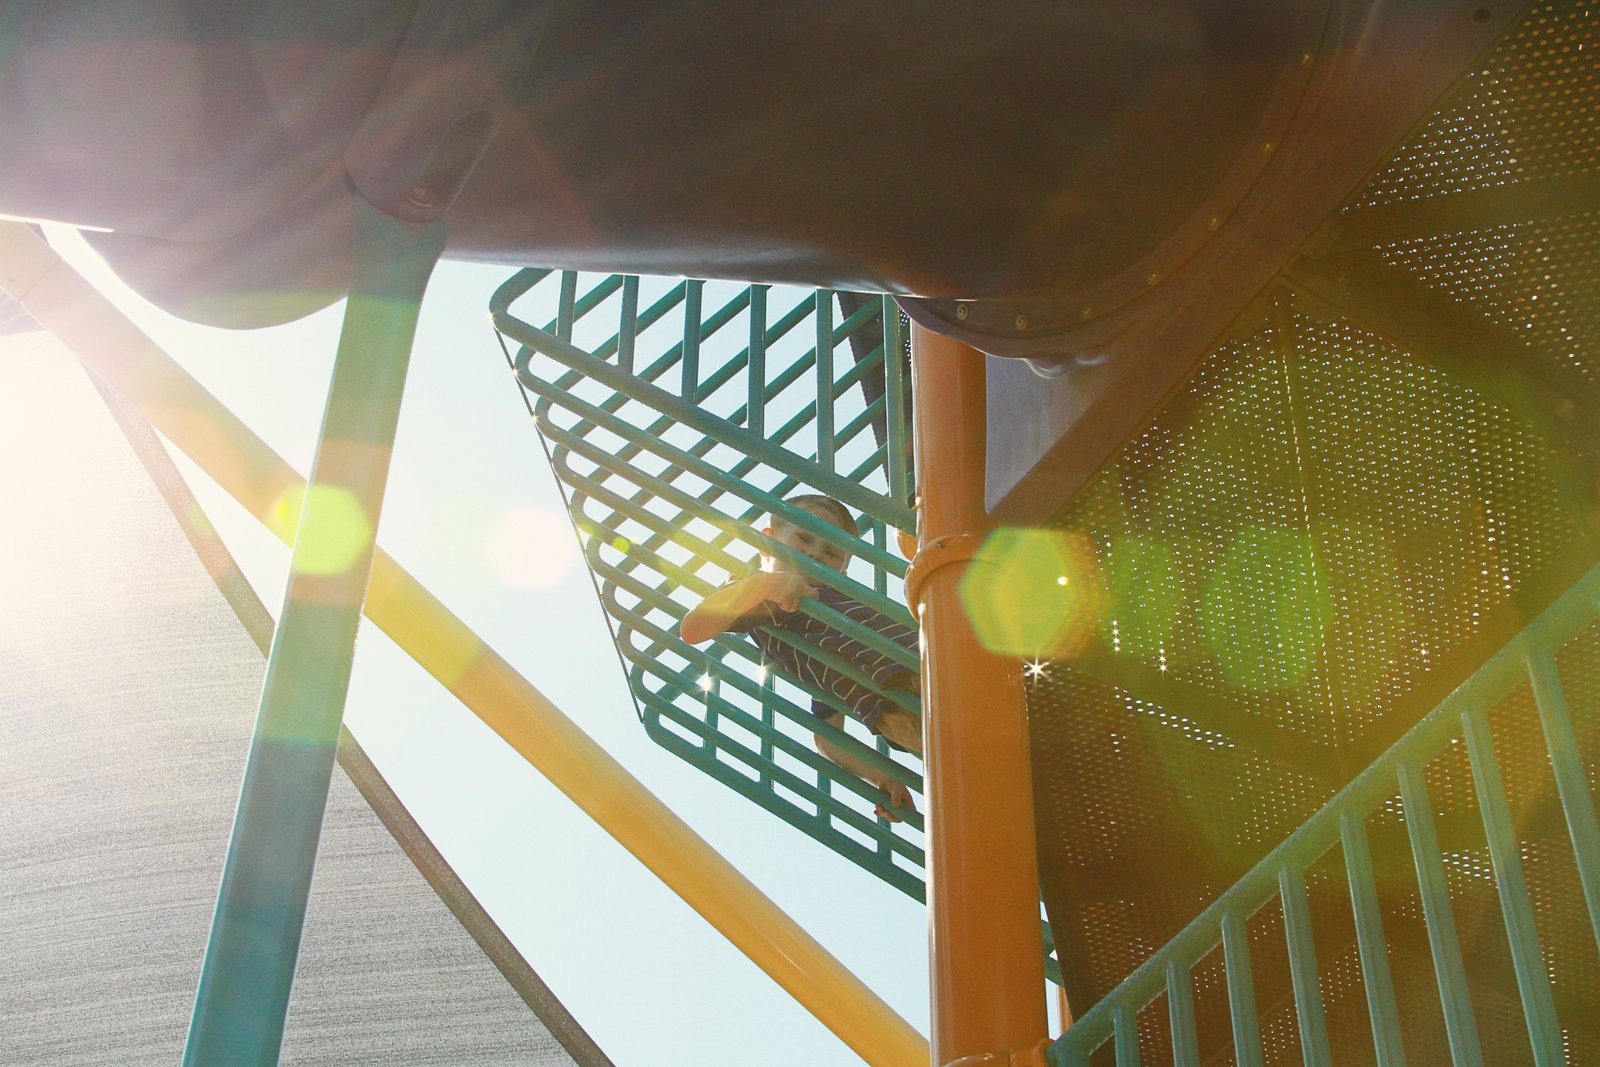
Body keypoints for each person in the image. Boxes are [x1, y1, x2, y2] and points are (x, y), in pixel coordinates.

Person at [679, 494, 923, 820]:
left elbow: (826, 735)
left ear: (843, 571)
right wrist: (883, 775)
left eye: (832, 553)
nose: (815, 554)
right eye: (804, 538)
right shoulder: (765, 597)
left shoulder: (835, 603)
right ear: (767, 542)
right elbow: (693, 627)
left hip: (924, 656)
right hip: (898, 699)